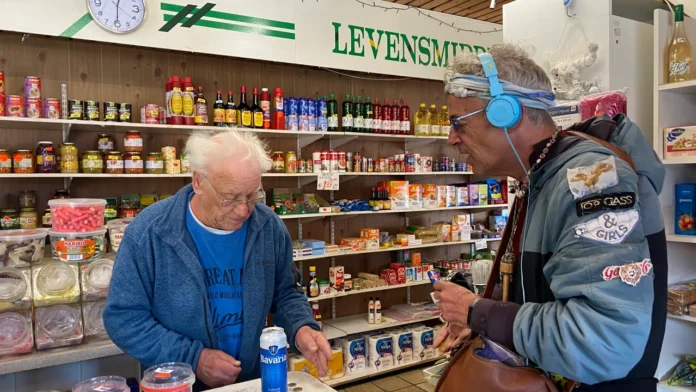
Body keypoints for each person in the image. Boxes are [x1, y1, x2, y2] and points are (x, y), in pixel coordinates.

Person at [432, 44, 667, 391]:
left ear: (507, 113)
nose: (451, 138)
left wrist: (478, 313)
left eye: (458, 122)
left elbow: (602, 341)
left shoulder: (589, 180)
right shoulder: (542, 178)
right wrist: (488, 322)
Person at [104, 130, 332, 391]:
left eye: (252, 195)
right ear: (199, 182)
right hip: (176, 384)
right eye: (231, 198)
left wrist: (301, 327)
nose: (244, 210)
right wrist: (194, 359)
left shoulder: (268, 227)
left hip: (250, 382)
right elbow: (124, 319)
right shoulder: (150, 233)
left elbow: (287, 293)